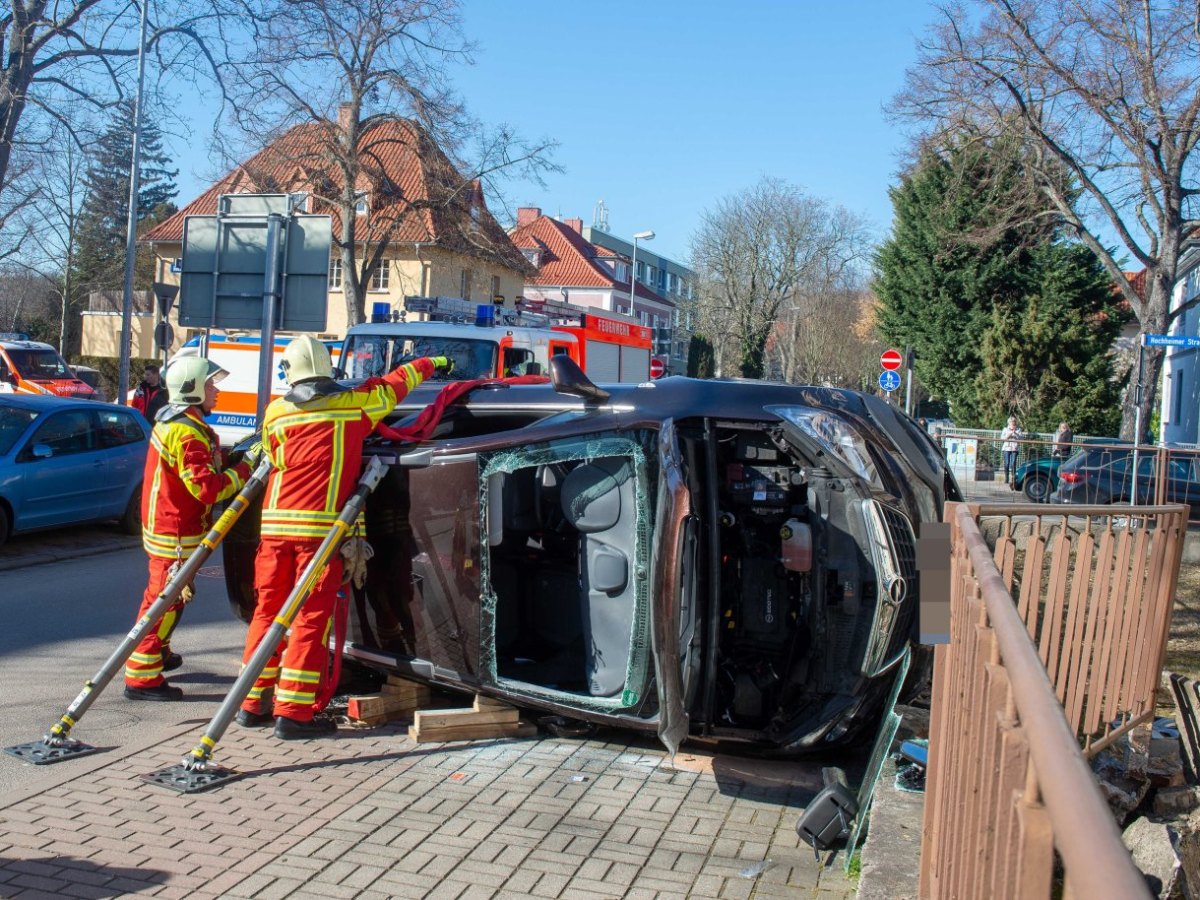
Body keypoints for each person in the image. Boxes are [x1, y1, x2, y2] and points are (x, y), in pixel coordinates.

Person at [236, 335, 452, 740]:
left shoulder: (275, 413)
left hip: (274, 530)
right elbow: (396, 384)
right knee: (309, 619)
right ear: (327, 370)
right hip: (318, 533)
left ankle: (252, 703)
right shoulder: (352, 405)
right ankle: (294, 715)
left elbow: (272, 454)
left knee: (268, 614)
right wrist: (432, 362)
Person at [124, 358, 255, 700]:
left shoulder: (185, 424)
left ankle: (158, 652)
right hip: (175, 534)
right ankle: (142, 676)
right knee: (163, 602)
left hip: (172, 528)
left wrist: (233, 458)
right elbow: (207, 489)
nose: (217, 391)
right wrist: (246, 470)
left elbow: (203, 468)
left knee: (170, 599)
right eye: (211, 385)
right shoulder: (184, 431)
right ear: (193, 389)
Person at [1000, 416, 1023, 488]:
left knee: (1013, 463)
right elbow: (1003, 438)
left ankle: (1013, 478)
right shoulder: (1005, 429)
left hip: (1014, 449)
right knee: (1007, 463)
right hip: (1006, 448)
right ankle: (1006, 477)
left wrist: (1015, 433)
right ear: (1008, 423)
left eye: (1013, 422)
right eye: (1011, 422)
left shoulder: (1018, 430)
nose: (1012, 423)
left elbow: (1021, 439)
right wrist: (1010, 433)